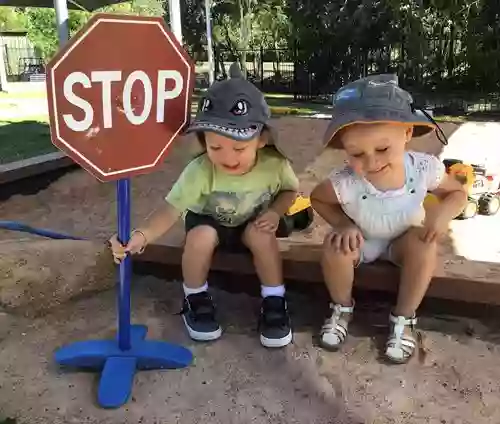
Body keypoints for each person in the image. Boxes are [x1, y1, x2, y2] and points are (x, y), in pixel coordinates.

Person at [109, 63, 299, 348]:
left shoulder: (276, 165)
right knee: (200, 236)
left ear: (262, 139)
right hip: (209, 222)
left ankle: (274, 299)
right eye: (215, 147)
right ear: (203, 142)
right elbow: (170, 209)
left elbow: (290, 190)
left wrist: (275, 211)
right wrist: (142, 235)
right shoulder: (199, 171)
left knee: (262, 235)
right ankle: (195, 297)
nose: (228, 157)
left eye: (239, 148)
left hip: (252, 222)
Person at [310, 74, 467, 363]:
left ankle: (403, 318)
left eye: (382, 149)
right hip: (364, 240)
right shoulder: (347, 181)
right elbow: (317, 197)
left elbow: (457, 193)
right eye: (357, 153)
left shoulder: (422, 168)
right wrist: (343, 223)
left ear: (406, 133)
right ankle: (342, 308)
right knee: (334, 246)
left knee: (425, 245)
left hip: (403, 241)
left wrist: (441, 215)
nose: (371, 162)